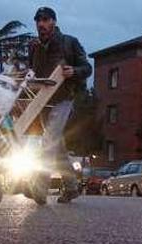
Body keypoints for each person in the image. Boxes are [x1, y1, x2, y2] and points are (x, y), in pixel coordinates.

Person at [29, 7, 92, 203]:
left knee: (48, 142)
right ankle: (72, 187)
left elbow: (87, 68)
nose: (41, 24)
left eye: (45, 20)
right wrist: (28, 75)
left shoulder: (69, 42)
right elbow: (31, 69)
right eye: (38, 20)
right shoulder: (33, 46)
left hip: (64, 100)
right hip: (42, 101)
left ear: (54, 22)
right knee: (57, 147)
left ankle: (39, 189)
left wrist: (74, 71)